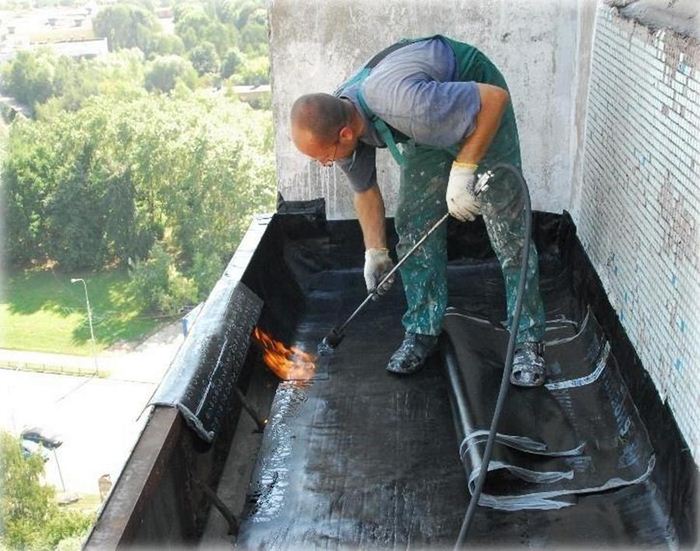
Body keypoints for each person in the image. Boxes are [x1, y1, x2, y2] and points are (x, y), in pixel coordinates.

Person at [290, 34, 547, 387]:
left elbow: (494, 99)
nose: (323, 163)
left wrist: (464, 168)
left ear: (346, 134)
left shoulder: (405, 104)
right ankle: (422, 329)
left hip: (477, 102)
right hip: (424, 122)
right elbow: (364, 190)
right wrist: (375, 251)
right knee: (414, 222)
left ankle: (528, 338)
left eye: (323, 156)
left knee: (507, 226)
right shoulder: (339, 112)